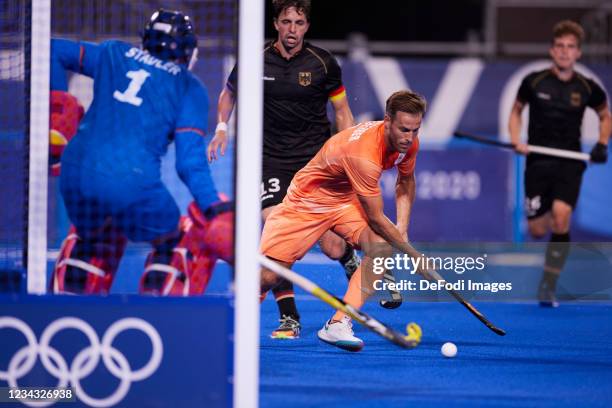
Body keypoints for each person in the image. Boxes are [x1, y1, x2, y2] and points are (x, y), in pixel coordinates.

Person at [49, 9, 233, 295]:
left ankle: (65, 310)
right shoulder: (188, 86)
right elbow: (188, 164)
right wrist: (215, 209)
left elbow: (50, 51)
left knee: (96, 232)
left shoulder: (114, 52)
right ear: (188, 51)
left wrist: (56, 112)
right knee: (180, 236)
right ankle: (161, 318)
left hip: (74, 175)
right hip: (131, 185)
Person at [207, 0, 360, 339]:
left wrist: (347, 151)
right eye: (286, 21)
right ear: (276, 24)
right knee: (278, 230)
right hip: (271, 161)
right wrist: (221, 128)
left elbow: (343, 112)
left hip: (316, 163)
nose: (293, 29)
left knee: (332, 245)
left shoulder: (323, 63)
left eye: (299, 22)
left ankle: (348, 258)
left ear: (307, 25)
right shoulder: (254, 59)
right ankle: (289, 317)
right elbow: (228, 93)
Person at [259, 90, 425, 351]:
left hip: (344, 199)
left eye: (415, 130)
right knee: (268, 277)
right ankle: (234, 321)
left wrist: (402, 231)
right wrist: (413, 255)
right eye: (404, 129)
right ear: (387, 121)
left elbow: (405, 182)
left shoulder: (409, 142)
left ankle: (338, 323)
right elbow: (376, 217)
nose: (410, 137)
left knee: (380, 248)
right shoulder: (364, 156)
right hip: (307, 201)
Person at [508, 20, 611, 307]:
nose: (565, 52)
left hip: (570, 162)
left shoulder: (588, 87)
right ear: (552, 50)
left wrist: (602, 144)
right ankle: (548, 275)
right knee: (538, 230)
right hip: (538, 162)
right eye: (561, 46)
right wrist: (517, 139)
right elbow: (516, 112)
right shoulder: (533, 81)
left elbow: (605, 116)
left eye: (571, 47)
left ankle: (548, 285)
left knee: (562, 217)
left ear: (578, 53)